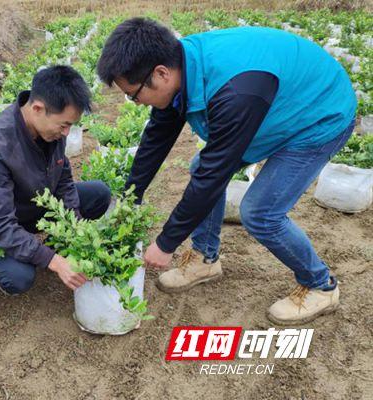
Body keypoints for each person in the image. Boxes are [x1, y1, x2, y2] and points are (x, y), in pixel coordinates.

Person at [96, 18, 356, 324]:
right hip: (276, 105)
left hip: (319, 115)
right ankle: (205, 259)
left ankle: (320, 285)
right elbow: (158, 136)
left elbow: (214, 175)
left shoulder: (235, 91)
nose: (136, 103)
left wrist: (166, 243)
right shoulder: (183, 64)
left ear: (161, 74)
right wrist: (131, 196)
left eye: (134, 94)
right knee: (200, 168)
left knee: (260, 213)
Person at [0, 65, 111, 295]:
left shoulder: (52, 131)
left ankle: (39, 247)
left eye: (70, 125)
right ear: (37, 108)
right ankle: (21, 254)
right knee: (18, 278)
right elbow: (0, 224)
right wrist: (55, 261)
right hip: (3, 221)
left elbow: (63, 179)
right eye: (64, 125)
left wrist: (76, 228)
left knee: (99, 194)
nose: (66, 133)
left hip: (39, 205)